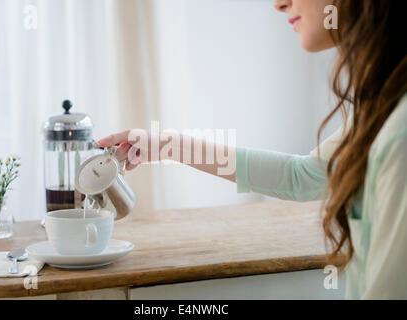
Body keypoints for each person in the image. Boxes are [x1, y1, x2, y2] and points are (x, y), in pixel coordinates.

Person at [98, 0, 407, 299]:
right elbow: (302, 176)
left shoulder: (400, 133)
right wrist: (167, 145)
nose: (279, 3)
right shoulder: (384, 107)